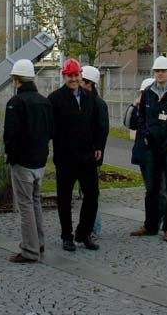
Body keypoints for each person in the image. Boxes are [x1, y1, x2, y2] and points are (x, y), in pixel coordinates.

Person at [49, 58, 107, 252]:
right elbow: (51, 127)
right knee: (64, 198)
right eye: (70, 76)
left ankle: (84, 233)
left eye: (76, 75)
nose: (73, 79)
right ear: (64, 76)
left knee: (92, 195)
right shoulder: (55, 99)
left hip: (87, 156)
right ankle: (67, 236)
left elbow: (97, 124)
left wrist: (98, 146)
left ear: (81, 75)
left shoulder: (90, 98)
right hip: (65, 158)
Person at [132, 55, 167, 242]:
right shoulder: (148, 93)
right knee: (152, 189)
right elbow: (141, 118)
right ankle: (150, 225)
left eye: (163, 71)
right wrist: (146, 135)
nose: (160, 74)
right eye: (157, 71)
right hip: (151, 147)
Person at [3, 58, 53, 263]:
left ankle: (30, 250)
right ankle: (38, 242)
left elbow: (11, 134)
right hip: (40, 160)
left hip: (22, 161)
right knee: (35, 201)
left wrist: (11, 156)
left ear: (16, 80)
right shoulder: (45, 101)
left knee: (25, 205)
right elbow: (51, 130)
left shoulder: (15, 103)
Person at [80, 65, 109, 238]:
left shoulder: (97, 104)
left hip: (91, 156)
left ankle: (93, 227)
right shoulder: (85, 101)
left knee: (90, 193)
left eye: (81, 81)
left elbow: (102, 130)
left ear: (89, 83)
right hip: (83, 154)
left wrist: (97, 152)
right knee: (87, 193)